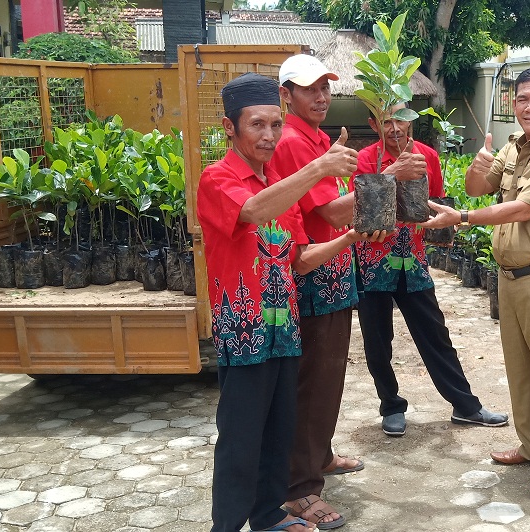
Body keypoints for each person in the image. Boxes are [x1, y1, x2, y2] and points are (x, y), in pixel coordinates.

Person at [197, 73, 379, 532]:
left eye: (276, 125)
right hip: (245, 328)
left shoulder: (281, 182)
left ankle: (267, 515)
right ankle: (226, 524)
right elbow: (252, 211)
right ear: (229, 127)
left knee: (280, 428)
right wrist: (317, 168)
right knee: (241, 434)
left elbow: (300, 261)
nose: (269, 135)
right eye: (257, 125)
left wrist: (353, 236)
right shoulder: (218, 178)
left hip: (285, 324)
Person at [421, 67, 530, 498]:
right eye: (521, 100)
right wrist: (479, 166)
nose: (529, 107)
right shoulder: (515, 146)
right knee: (522, 369)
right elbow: (478, 188)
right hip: (511, 276)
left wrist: (461, 217)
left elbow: (525, 209)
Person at [353, 103, 510, 437]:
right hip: (372, 263)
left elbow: (436, 200)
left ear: (412, 121)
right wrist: (393, 171)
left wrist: (444, 233)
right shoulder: (366, 159)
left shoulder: (428, 156)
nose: (395, 128)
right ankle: (391, 405)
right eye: (386, 122)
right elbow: (363, 210)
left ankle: (466, 405)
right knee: (377, 339)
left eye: (401, 119)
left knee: (435, 333)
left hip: (413, 260)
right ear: (373, 124)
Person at [266, 54, 367, 530]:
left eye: (326, 87)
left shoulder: (318, 140)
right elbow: (330, 215)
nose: (322, 96)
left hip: (333, 271)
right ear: (286, 94)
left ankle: (319, 455)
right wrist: (383, 186)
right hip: (313, 278)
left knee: (328, 381)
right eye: (309, 89)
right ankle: (300, 490)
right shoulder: (291, 142)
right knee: (314, 385)